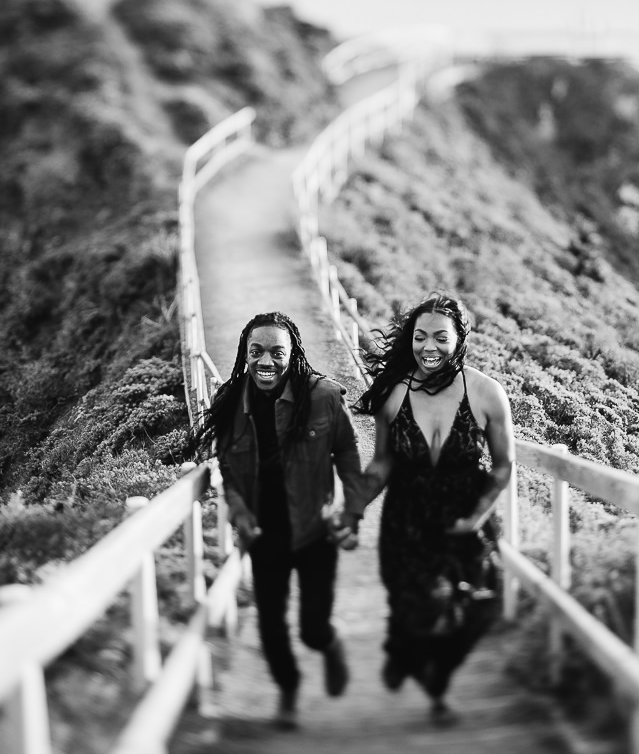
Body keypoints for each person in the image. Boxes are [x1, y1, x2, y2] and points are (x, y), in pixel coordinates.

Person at [194, 311, 365, 729]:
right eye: (256, 351)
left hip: (314, 528)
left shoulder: (322, 396)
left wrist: (352, 512)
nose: (265, 361)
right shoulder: (229, 402)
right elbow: (227, 468)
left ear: (293, 354)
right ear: (244, 354)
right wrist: (238, 508)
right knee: (271, 625)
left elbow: (345, 452)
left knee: (311, 628)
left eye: (277, 352)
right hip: (264, 531)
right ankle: (287, 693)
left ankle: (330, 644)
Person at [356, 293, 514, 725]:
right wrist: (352, 508)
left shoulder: (487, 394)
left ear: (460, 339)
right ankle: (434, 686)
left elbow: (503, 467)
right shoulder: (394, 395)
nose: (429, 346)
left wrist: (475, 518)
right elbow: (383, 462)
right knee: (424, 607)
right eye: (420, 336)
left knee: (486, 607)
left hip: (468, 514)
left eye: (441, 337)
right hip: (408, 518)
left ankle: (408, 652)